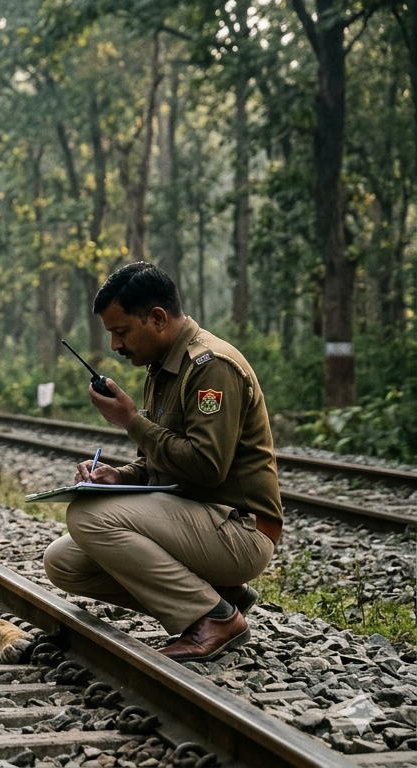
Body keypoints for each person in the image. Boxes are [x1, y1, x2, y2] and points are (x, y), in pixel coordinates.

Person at [42, 262, 281, 663]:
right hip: (198, 520)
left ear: (157, 318)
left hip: (240, 529)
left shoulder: (211, 367)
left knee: (87, 518)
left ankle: (214, 619)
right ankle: (218, 595)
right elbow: (160, 462)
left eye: (121, 332)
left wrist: (131, 422)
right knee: (64, 562)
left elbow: (207, 466)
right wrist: (117, 476)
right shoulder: (163, 366)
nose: (116, 346)